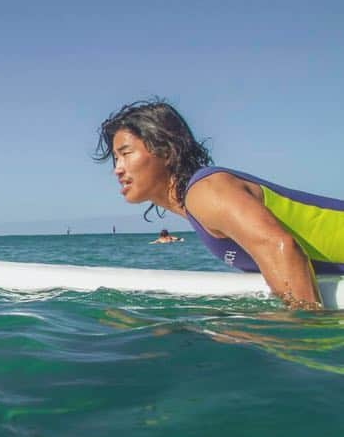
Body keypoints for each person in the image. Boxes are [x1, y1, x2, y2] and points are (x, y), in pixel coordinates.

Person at [95, 99, 344, 310]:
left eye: (126, 154)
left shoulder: (204, 192)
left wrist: (305, 337)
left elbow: (281, 248)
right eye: (116, 159)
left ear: (166, 152)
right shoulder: (197, 202)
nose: (117, 169)